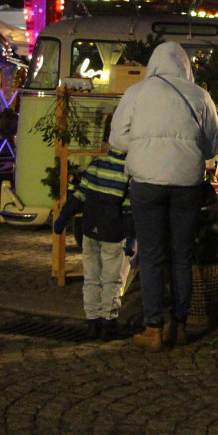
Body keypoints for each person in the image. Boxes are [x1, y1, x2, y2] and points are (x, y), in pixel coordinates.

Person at [109, 42, 218, 351]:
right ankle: (181, 326)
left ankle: (154, 328)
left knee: (152, 255)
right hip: (187, 184)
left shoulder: (137, 92)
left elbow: (117, 140)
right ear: (186, 66)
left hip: (146, 183)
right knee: (182, 256)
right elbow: (214, 146)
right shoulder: (200, 95)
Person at [52, 133, 134, 341]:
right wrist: (132, 237)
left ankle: (92, 321)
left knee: (91, 277)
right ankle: (108, 321)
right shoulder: (129, 171)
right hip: (113, 233)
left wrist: (63, 217)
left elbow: (80, 194)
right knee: (112, 279)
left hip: (89, 229)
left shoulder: (97, 163)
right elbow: (128, 208)